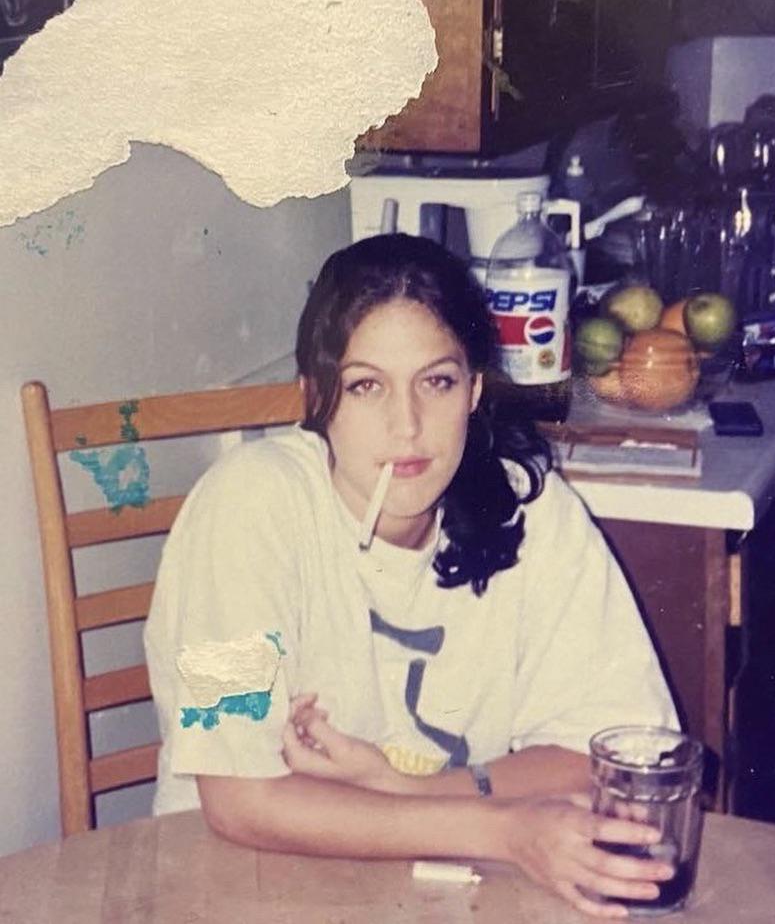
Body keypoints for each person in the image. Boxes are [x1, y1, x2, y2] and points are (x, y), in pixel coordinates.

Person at [145, 233, 679, 918]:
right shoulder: (243, 509)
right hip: (235, 889)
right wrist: (503, 829)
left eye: (437, 381)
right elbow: (239, 799)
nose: (407, 425)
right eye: (367, 386)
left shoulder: (532, 508)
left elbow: (613, 754)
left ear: (474, 389)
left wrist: (404, 788)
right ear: (316, 396)